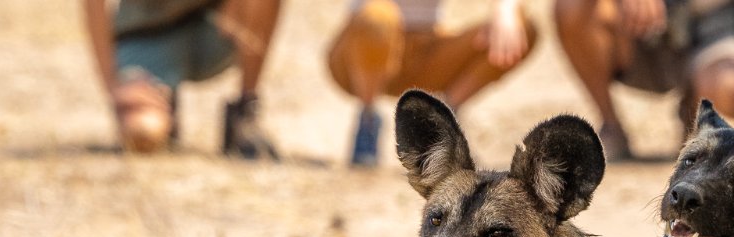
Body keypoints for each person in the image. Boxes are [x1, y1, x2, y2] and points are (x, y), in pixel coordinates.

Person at [554, 0, 734, 160]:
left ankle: (694, 115)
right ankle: (612, 125)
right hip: (633, 31)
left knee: (731, 87)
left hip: (711, 34)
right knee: (572, 5)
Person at [327, 0, 538, 167]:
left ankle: (444, 117)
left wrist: (505, 9)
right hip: (360, 55)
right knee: (377, 19)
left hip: (426, 50)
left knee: (522, 28)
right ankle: (368, 117)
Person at [83, 0, 281, 159]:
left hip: (216, 26)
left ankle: (245, 112)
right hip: (147, 34)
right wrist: (113, 85)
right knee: (143, 131)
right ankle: (162, 101)